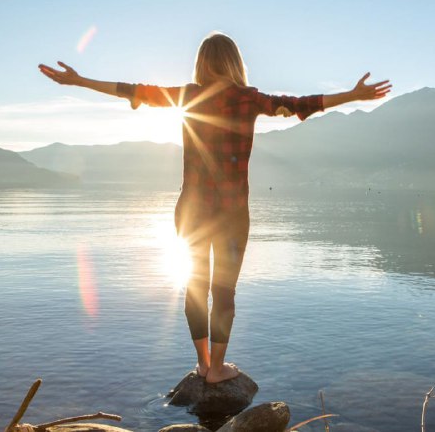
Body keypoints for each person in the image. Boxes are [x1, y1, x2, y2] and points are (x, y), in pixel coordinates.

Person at [39, 32, 391, 383]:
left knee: (194, 286)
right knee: (224, 291)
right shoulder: (249, 99)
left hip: (190, 209)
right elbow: (302, 104)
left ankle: (204, 363)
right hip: (232, 213)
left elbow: (132, 90)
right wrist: (353, 95)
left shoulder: (188, 96)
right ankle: (218, 369)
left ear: (202, 63)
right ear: (236, 62)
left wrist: (79, 80)